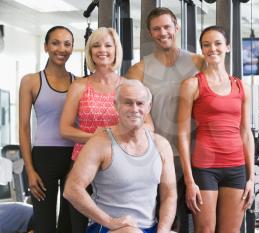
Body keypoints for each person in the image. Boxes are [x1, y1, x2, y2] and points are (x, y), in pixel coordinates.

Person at [63, 79, 177, 233]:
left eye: (140, 103)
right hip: (106, 228)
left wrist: (162, 230)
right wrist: (110, 222)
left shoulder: (161, 145)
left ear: (148, 107)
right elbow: (71, 189)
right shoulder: (99, 143)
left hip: (149, 228)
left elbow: (169, 194)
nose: (134, 109)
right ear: (116, 105)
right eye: (128, 103)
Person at [126, 7, 204, 231]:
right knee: (166, 220)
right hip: (157, 156)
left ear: (176, 27)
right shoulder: (138, 70)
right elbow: (133, 115)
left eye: (167, 27)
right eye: (156, 29)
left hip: (196, 154)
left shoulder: (199, 63)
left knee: (197, 220)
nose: (163, 33)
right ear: (150, 33)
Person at [178, 26, 255, 233]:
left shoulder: (242, 88)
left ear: (227, 47)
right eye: (206, 44)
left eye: (218, 43)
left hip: (236, 167)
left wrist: (251, 177)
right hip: (205, 168)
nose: (212, 48)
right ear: (202, 50)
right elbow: (183, 134)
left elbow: (246, 133)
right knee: (205, 230)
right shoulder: (192, 85)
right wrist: (189, 180)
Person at [60, 27, 124, 232]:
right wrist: (97, 138)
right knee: (80, 226)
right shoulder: (79, 86)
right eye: (96, 45)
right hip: (83, 163)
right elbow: (65, 129)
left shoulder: (128, 85)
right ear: (90, 51)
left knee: (116, 225)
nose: (102, 50)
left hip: (118, 165)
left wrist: (117, 138)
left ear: (116, 50)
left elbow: (147, 124)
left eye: (107, 45)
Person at [18, 25, 75, 233]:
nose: (61, 49)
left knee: (68, 225)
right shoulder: (31, 81)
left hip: (73, 158)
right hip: (43, 158)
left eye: (67, 44)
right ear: (46, 47)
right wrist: (30, 170)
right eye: (55, 43)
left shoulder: (78, 83)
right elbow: (23, 128)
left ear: (72, 48)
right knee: (45, 226)